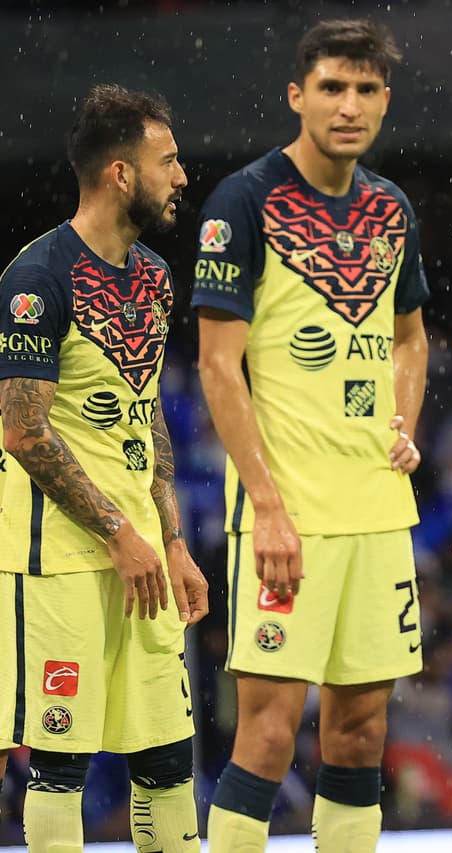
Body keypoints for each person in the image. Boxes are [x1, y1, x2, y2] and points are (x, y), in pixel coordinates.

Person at [192, 19, 429, 853]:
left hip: (377, 511)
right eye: (332, 87)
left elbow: (410, 337)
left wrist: (404, 424)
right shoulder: (243, 201)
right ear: (297, 96)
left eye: (365, 89)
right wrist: (267, 506)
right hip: (287, 513)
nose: (349, 105)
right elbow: (217, 365)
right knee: (266, 733)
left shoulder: (392, 208)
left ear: (385, 101)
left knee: (361, 732)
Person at [0, 83, 209, 853]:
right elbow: (24, 432)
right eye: (168, 161)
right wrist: (120, 532)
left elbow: (142, 409)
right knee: (60, 765)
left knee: (167, 759)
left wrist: (170, 538)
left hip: (142, 555)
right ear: (121, 174)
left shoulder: (153, 276)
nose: (181, 176)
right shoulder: (36, 278)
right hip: (56, 560)